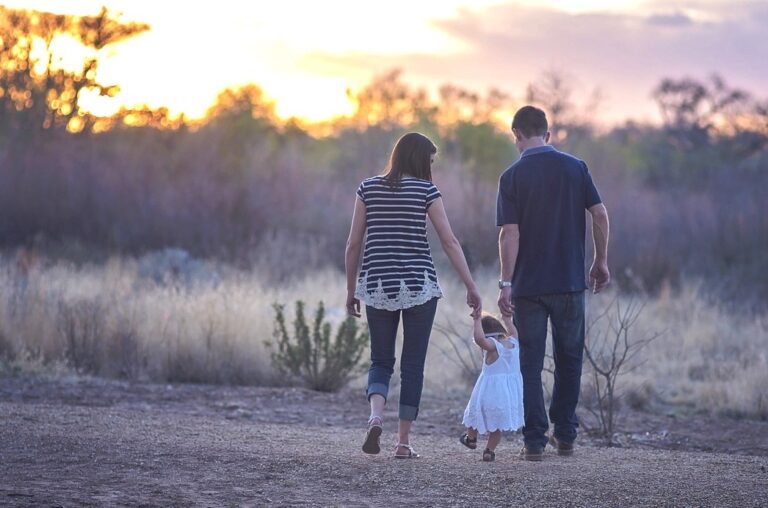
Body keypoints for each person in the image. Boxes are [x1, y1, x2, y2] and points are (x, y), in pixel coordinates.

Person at [345, 132, 482, 459]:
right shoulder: (426, 191)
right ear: (420, 159)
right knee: (412, 365)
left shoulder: (367, 188)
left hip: (377, 285)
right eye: (430, 161)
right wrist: (471, 285)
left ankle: (376, 416)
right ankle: (403, 443)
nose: (431, 167)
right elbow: (449, 242)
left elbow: (353, 244)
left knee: (380, 360)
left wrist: (351, 290)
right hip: (419, 286)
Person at [496, 106, 610, 461]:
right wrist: (600, 260)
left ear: (516, 134)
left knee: (530, 363)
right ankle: (565, 435)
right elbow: (600, 214)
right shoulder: (576, 168)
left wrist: (505, 282)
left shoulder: (511, 176)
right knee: (569, 359)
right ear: (548, 133)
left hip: (529, 287)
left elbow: (509, 234)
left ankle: (533, 441)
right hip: (570, 283)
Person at [460, 313, 523, 462]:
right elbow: (513, 331)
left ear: (488, 335)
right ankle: (489, 451)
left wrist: (476, 321)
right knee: (497, 426)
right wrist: (507, 319)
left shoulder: (493, 346)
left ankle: (471, 439)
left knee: (474, 415)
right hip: (506, 395)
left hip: (488, 392)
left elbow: (480, 339)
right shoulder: (514, 342)